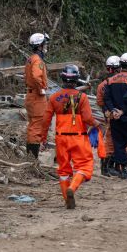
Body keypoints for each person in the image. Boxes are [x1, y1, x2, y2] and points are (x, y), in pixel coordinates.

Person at [40, 64, 99, 209]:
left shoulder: (54, 97)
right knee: (84, 166)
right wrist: (97, 123)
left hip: (61, 139)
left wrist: (43, 139)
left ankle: (67, 199)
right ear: (77, 79)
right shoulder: (82, 97)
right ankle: (72, 187)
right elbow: (87, 118)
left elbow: (46, 120)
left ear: (62, 79)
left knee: (63, 170)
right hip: (78, 137)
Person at [102, 52, 127, 178]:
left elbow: (106, 98)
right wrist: (123, 111)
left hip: (115, 119)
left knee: (119, 145)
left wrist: (113, 111)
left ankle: (122, 171)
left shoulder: (110, 81)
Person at [24, 33, 50, 160]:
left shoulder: (31, 58)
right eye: (45, 44)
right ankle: (32, 159)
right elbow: (35, 76)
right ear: (40, 45)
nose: (46, 46)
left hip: (31, 96)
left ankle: (30, 156)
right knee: (36, 126)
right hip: (36, 97)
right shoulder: (38, 60)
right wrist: (41, 89)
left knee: (32, 125)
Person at [95, 56, 120, 176]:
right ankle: (110, 167)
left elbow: (100, 102)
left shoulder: (102, 85)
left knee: (111, 141)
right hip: (118, 115)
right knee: (114, 142)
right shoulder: (119, 82)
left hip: (109, 115)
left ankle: (108, 167)